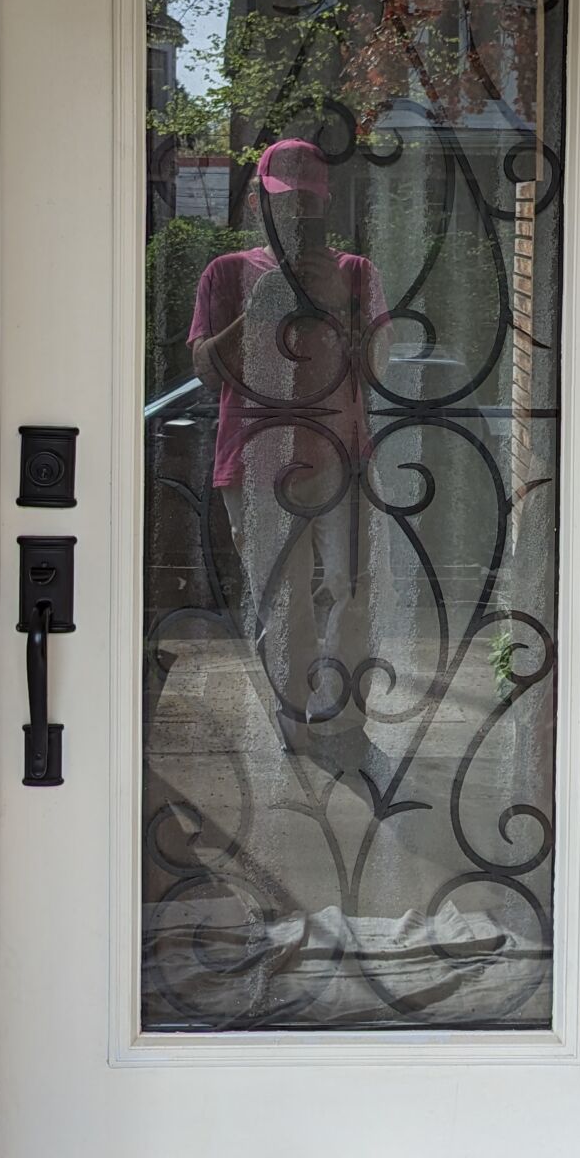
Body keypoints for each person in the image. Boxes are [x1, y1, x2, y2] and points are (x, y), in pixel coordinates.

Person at [189, 140, 388, 763]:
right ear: (258, 203)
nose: (295, 217)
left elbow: (378, 372)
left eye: (307, 206)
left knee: (350, 586)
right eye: (284, 203)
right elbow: (205, 372)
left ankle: (341, 718)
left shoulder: (356, 273)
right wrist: (259, 308)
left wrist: (336, 305)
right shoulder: (226, 273)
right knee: (284, 596)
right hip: (255, 461)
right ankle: (293, 722)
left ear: (324, 208)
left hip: (341, 455)